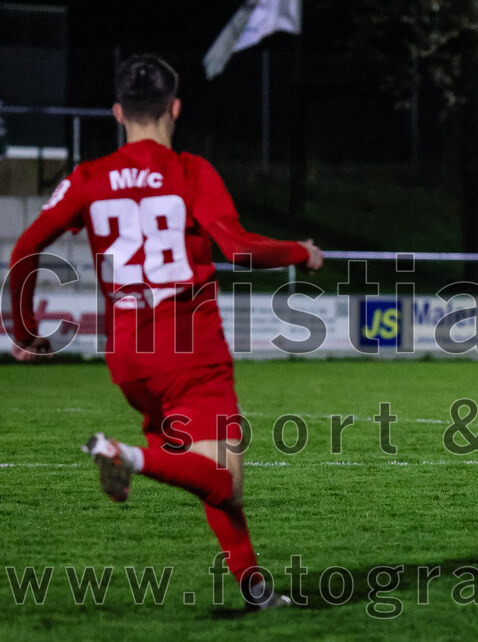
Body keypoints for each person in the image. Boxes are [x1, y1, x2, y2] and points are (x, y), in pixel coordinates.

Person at [7, 54, 323, 607]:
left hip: (130, 359)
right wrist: (301, 251)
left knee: (196, 466)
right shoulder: (190, 172)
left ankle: (255, 589)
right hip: (189, 350)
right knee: (225, 481)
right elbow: (239, 248)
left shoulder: (88, 178)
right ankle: (126, 455)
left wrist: (27, 330)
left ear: (117, 113)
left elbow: (25, 248)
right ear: (175, 109)